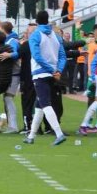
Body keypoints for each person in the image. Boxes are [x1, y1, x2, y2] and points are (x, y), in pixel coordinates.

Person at [24, 11, 67, 145]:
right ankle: (31, 136)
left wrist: (51, 69)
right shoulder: (56, 35)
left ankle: (59, 133)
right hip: (53, 75)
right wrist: (58, 70)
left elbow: (37, 56)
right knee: (39, 106)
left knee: (45, 104)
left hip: (41, 73)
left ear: (36, 21)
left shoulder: (35, 35)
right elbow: (62, 56)